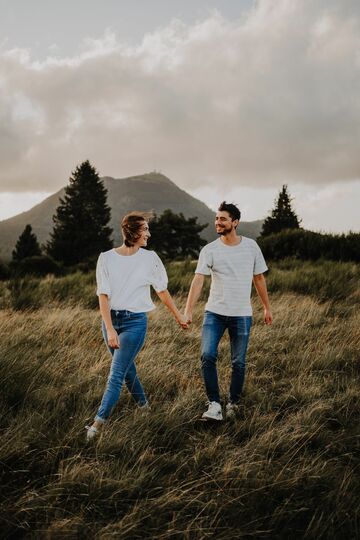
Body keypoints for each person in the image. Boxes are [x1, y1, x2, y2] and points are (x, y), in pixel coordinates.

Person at [86, 212, 188, 440]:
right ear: (132, 233)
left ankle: (96, 426)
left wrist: (178, 315)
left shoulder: (150, 258)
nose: (148, 234)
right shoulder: (106, 258)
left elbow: (162, 291)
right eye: (145, 230)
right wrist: (110, 328)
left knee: (116, 374)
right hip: (110, 322)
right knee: (127, 370)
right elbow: (103, 296)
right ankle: (144, 407)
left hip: (135, 323)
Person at [184, 201, 272, 421]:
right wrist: (188, 311)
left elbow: (259, 278)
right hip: (214, 312)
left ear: (235, 222)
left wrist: (267, 308)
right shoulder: (209, 250)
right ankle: (214, 404)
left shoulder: (251, 246)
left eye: (222, 219)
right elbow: (198, 280)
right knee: (207, 355)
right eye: (216, 218)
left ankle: (233, 402)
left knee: (238, 362)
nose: (217, 222)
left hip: (242, 314)